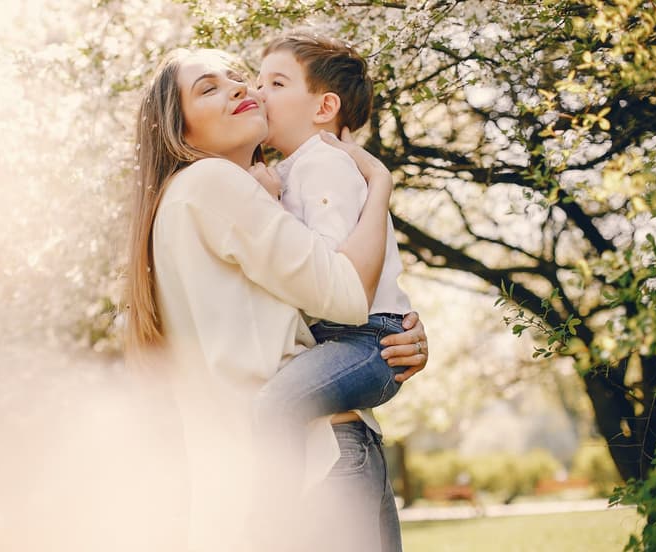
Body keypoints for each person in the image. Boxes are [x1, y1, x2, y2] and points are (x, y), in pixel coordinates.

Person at [124, 48, 428, 552]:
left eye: (238, 79)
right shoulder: (213, 182)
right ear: (178, 129)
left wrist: (396, 337)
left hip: (304, 454)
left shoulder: (191, 199)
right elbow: (348, 293)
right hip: (315, 461)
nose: (241, 88)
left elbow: (310, 308)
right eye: (209, 88)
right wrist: (379, 184)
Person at [248, 34, 418, 543]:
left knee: (276, 406)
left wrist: (271, 207)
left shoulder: (323, 163)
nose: (258, 93)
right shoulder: (292, 168)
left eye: (276, 83)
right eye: (258, 81)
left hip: (369, 340)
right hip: (353, 340)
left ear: (324, 107)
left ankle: (274, 517)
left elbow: (333, 271)